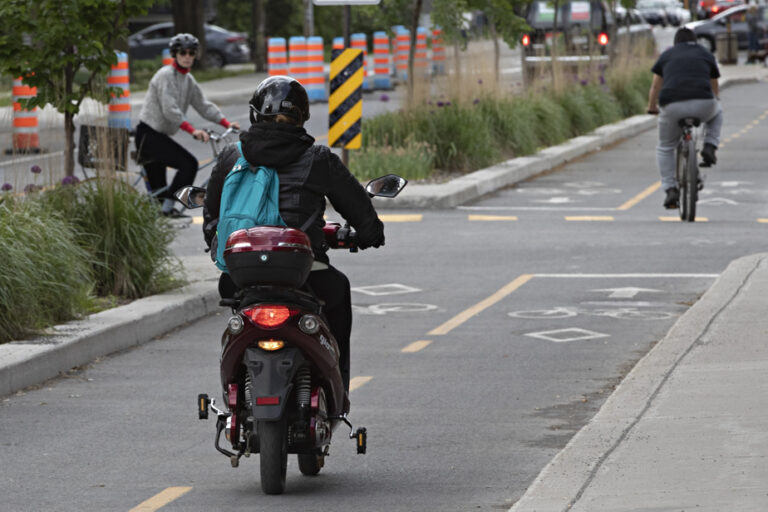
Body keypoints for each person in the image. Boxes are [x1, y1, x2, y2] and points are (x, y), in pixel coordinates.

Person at [202, 76, 385, 392]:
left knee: (236, 315)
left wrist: (216, 242)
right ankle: (337, 383)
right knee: (338, 289)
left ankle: (232, 391)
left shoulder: (231, 156)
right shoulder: (317, 158)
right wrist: (370, 234)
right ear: (302, 118)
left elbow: (212, 220)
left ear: (255, 114)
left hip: (241, 275)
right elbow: (359, 210)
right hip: (304, 275)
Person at [135, 33, 240, 217]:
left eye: (191, 53)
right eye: (182, 52)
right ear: (175, 54)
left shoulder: (188, 80)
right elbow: (170, 109)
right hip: (148, 136)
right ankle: (169, 208)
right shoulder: (165, 76)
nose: (187, 56)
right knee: (188, 164)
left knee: (157, 202)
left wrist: (226, 122)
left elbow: (203, 105)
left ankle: (164, 212)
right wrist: (193, 131)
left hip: (158, 136)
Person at [647, 27, 722, 210]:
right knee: (718, 113)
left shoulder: (667, 55)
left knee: (665, 147)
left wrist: (652, 107)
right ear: (695, 41)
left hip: (672, 105)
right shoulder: (705, 54)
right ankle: (710, 146)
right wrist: (714, 101)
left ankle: (670, 189)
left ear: (676, 43)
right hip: (703, 103)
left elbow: (656, 86)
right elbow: (714, 85)